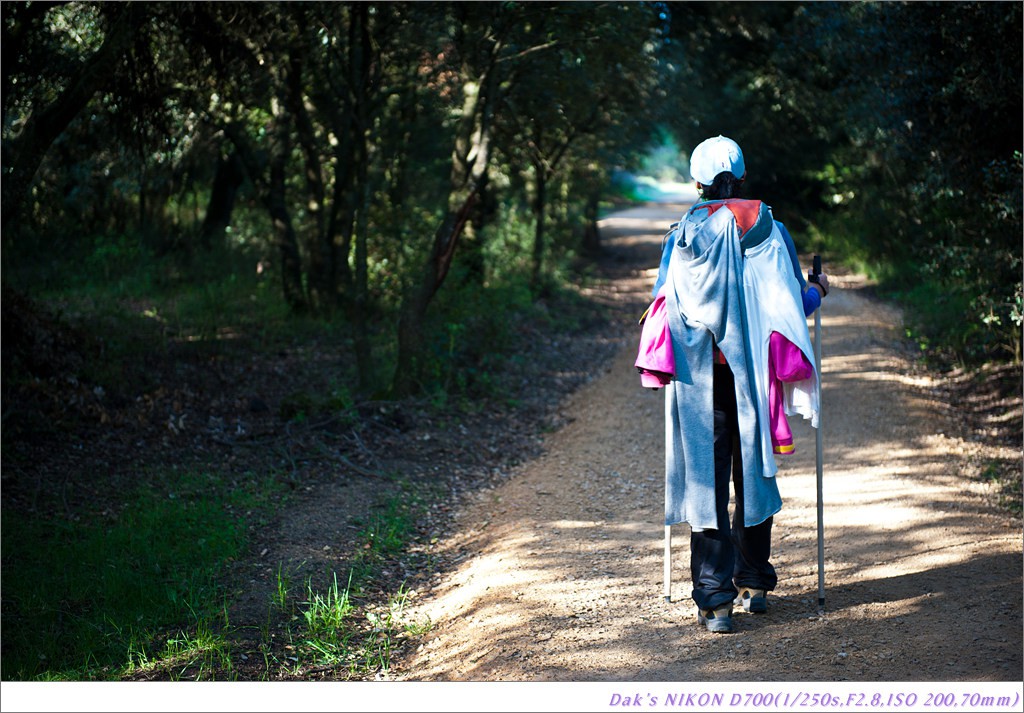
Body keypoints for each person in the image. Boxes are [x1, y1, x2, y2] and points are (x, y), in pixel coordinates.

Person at [653, 135, 829, 634]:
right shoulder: (771, 229)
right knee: (753, 471)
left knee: (706, 478)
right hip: (753, 375)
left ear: (697, 183)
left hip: (698, 376)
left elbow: (664, 305)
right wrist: (816, 289)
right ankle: (753, 581)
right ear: (742, 178)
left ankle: (714, 599)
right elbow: (792, 303)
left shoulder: (681, 235)